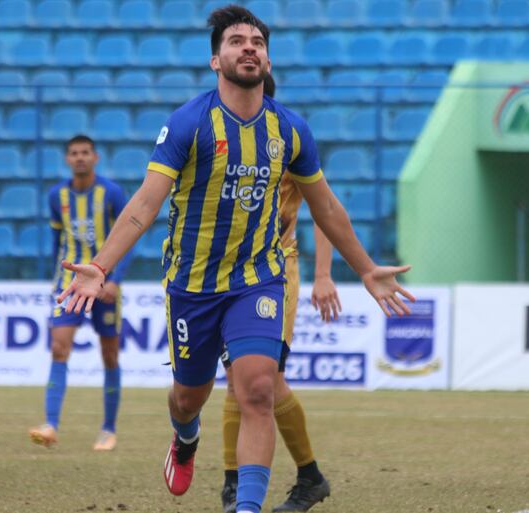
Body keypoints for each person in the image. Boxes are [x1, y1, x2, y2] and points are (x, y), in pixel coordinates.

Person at [58, 6, 415, 513]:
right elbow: (145, 202)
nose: (249, 47)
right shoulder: (188, 123)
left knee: (258, 389)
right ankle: (185, 438)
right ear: (215, 60)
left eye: (257, 42)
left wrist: (364, 269)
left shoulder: (290, 130)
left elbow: (327, 207)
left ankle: (246, 507)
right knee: (188, 397)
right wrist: (102, 265)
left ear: (267, 60)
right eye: (236, 41)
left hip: (259, 279)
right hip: (194, 283)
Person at [220, 73, 339, 513]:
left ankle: (287, 479)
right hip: (229, 274)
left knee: (259, 379)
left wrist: (323, 275)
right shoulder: (221, 139)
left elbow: (325, 206)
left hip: (276, 271)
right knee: (237, 379)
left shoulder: (281, 140)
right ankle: (290, 479)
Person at [29, 135, 133, 452]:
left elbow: (128, 240)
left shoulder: (112, 193)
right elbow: (56, 242)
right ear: (67, 159)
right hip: (69, 285)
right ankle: (50, 425)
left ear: (96, 157)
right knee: (59, 348)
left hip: (104, 287)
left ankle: (108, 429)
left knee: (109, 354)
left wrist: (114, 280)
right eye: (74, 153)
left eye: (85, 153)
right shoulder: (55, 196)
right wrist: (56, 276)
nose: (80, 158)